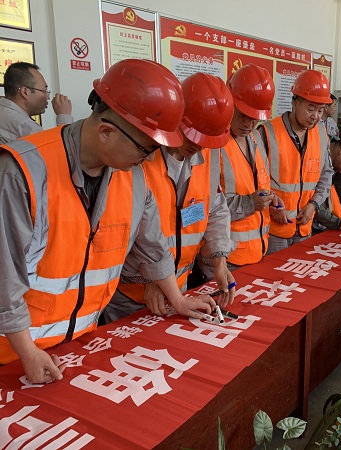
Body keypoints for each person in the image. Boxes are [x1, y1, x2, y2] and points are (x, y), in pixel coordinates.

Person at [0, 59, 217, 383]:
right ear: (106, 131)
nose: (149, 159)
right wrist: (27, 351)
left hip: (79, 344)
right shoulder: (22, 172)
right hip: (14, 354)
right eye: (145, 149)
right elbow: (4, 278)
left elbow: (153, 246)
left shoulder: (132, 178)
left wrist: (177, 298)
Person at [105, 72, 237, 323]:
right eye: (192, 135)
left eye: (206, 140)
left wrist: (219, 261)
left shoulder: (207, 155)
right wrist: (150, 280)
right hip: (133, 294)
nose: (198, 147)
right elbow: (122, 228)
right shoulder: (139, 155)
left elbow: (216, 209)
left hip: (181, 290)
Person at [258, 69, 334, 253]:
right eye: (310, 109)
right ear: (295, 103)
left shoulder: (321, 133)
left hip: (304, 225)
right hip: (274, 229)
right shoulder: (267, 133)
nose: (315, 116)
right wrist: (271, 204)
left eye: (320, 110)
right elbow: (254, 180)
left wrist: (313, 204)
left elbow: (326, 174)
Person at [218, 64, 283, 270]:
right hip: (226, 259)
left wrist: (270, 197)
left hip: (258, 250)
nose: (248, 124)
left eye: (254, 118)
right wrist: (249, 203)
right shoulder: (212, 145)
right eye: (243, 115)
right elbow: (204, 208)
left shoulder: (255, 137)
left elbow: (257, 183)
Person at [0, 62, 73, 144]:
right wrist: (64, 117)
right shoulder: (23, 125)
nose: (48, 97)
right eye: (44, 91)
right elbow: (60, 149)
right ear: (25, 92)